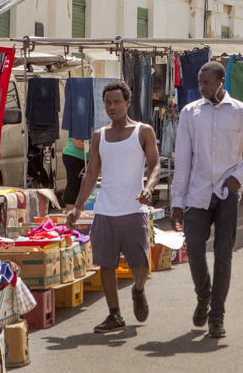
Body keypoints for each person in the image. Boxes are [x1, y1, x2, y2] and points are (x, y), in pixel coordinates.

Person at [171, 62, 243, 339]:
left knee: (223, 255)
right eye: (200, 83)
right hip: (197, 194)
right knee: (195, 249)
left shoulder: (241, 112)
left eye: (207, 82)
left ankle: (217, 316)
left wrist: (238, 177)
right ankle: (203, 296)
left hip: (226, 195)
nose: (202, 87)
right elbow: (183, 159)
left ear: (222, 81)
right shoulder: (190, 113)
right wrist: (176, 201)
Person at [66, 81, 161, 333]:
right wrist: (77, 208)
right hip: (105, 210)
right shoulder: (99, 136)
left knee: (140, 264)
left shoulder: (144, 131)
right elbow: (91, 174)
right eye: (108, 102)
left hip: (134, 209)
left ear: (128, 102)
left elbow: (155, 166)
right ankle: (114, 315)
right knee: (105, 264)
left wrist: (148, 188)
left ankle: (138, 290)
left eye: (117, 102)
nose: (112, 107)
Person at [62, 137, 87, 207]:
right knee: (73, 186)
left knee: (82, 187)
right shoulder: (79, 125)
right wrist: (97, 146)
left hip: (86, 157)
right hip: (74, 155)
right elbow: (77, 144)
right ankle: (71, 213)